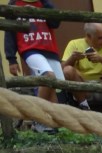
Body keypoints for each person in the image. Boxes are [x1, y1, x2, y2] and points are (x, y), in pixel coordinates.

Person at [4, 0, 63, 131]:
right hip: (29, 48)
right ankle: (37, 119)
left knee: (54, 88)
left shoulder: (45, 3)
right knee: (48, 76)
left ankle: (52, 126)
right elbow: (9, 32)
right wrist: (11, 59)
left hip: (50, 49)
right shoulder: (14, 3)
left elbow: (55, 23)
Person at [61, 22, 102, 117]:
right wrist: (72, 58)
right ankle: (84, 106)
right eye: (100, 38)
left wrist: (101, 59)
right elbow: (62, 69)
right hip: (83, 87)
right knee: (68, 70)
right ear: (88, 36)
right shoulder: (74, 44)